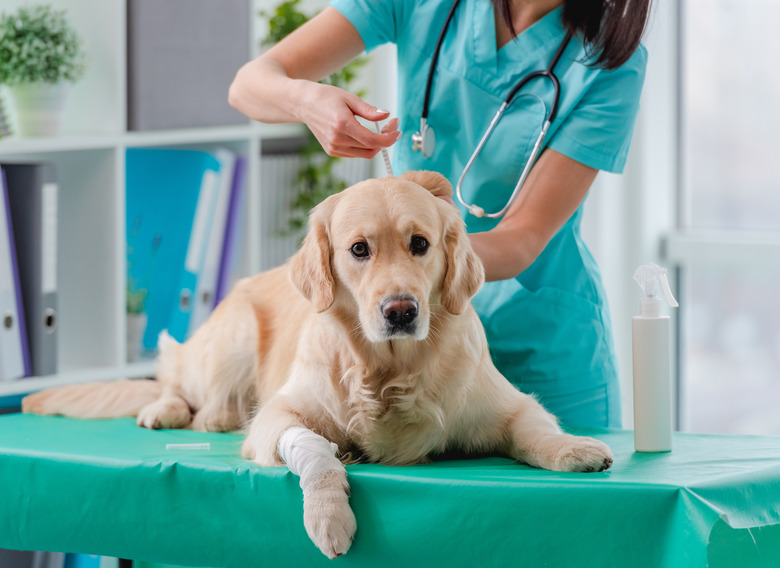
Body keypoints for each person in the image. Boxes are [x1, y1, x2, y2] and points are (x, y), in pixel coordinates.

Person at [228, 0, 652, 429]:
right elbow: (249, 86)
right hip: (409, 343)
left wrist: (420, 260)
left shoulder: (613, 62)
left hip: (542, 340)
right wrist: (308, 101)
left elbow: (523, 237)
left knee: (568, 479)